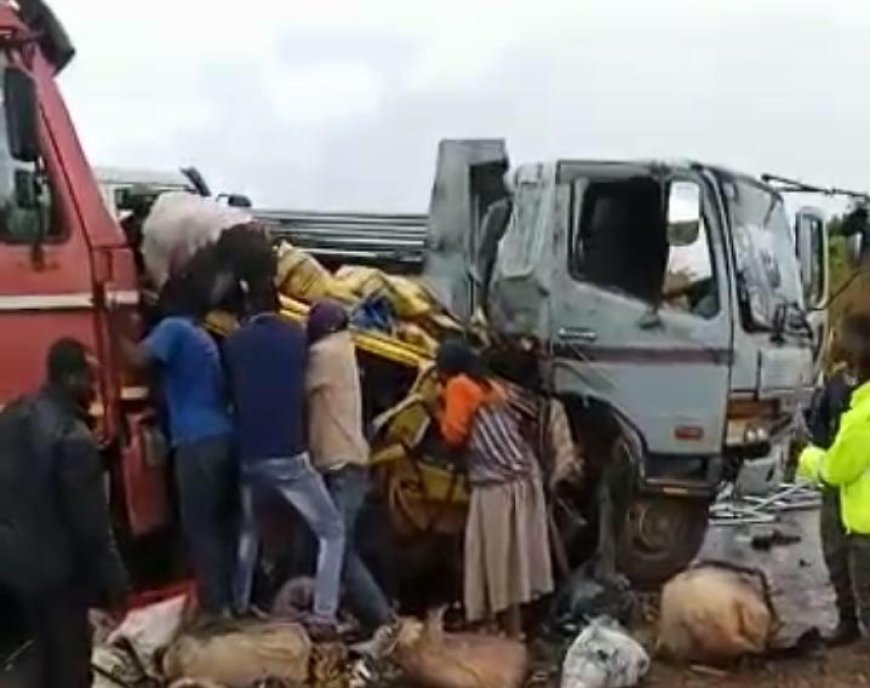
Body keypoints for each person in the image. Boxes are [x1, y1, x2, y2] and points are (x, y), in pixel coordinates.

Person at [0, 339, 129, 688]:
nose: (94, 388)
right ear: (72, 378)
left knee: (42, 653)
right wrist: (116, 585)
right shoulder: (74, 438)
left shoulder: (12, 415)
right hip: (58, 571)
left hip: (14, 565)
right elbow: (92, 527)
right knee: (71, 662)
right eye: (90, 378)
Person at [224, 279, 345, 631]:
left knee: (249, 532)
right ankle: (324, 614)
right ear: (279, 306)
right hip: (288, 457)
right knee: (332, 531)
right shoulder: (296, 337)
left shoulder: (234, 342)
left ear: (248, 309)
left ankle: (239, 604)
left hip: (250, 457)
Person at [118, 287, 237, 618]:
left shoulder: (173, 329)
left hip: (196, 441)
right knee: (219, 525)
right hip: (223, 436)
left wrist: (114, 328)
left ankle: (214, 609)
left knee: (199, 526)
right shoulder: (201, 335)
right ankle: (230, 600)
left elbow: (137, 359)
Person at [432, 340, 553, 638]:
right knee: (514, 563)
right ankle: (512, 629)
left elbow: (454, 434)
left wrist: (438, 408)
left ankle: (502, 629)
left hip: (497, 485)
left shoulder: (459, 387)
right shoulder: (489, 384)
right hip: (521, 478)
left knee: (496, 561)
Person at [305, 299, 393, 632]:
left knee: (336, 547)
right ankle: (368, 615)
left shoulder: (324, 355)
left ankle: (382, 619)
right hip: (348, 462)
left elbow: (296, 387)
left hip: (341, 463)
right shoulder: (347, 349)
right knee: (336, 544)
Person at [799, 313, 870, 640]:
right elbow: (819, 428)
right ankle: (847, 620)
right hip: (837, 485)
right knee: (836, 553)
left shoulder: (862, 409)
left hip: (846, 480)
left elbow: (834, 462)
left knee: (860, 562)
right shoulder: (836, 384)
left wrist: (811, 460)